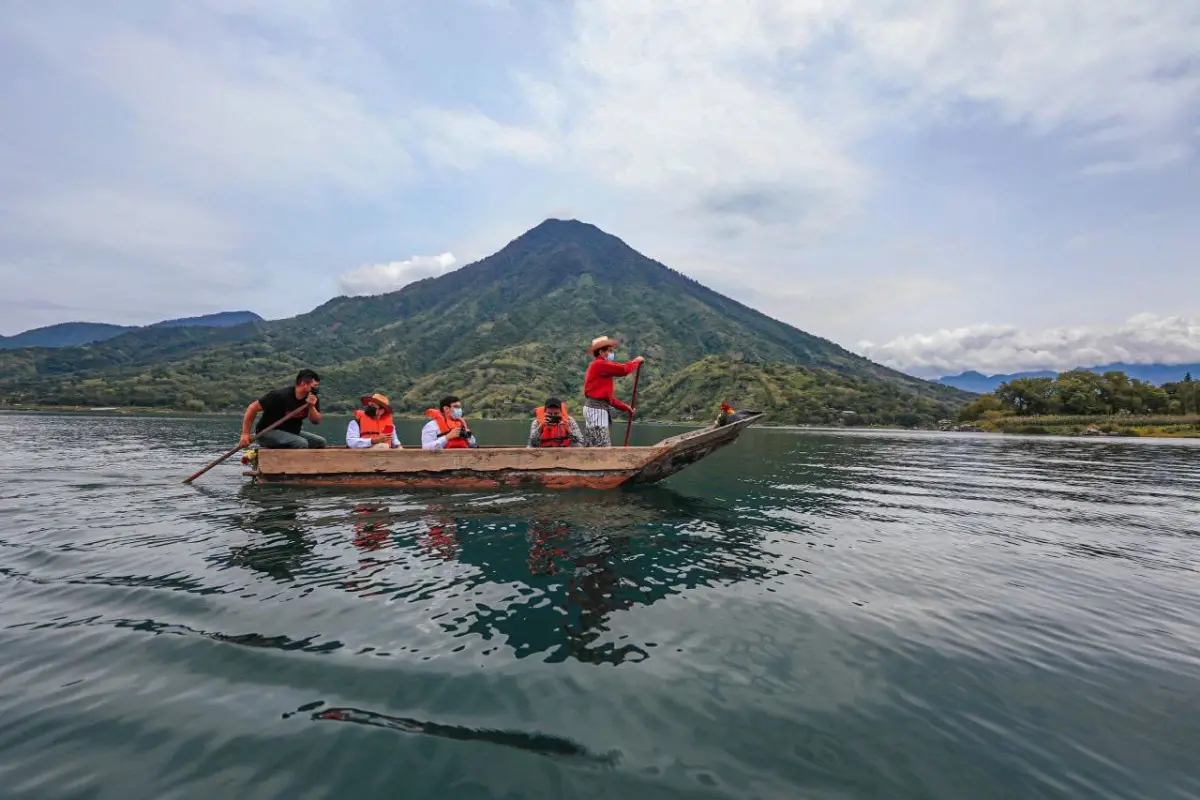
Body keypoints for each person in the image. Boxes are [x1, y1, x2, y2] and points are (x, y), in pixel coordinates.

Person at [581, 336, 644, 447]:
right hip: (597, 409)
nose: (612, 353)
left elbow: (609, 398)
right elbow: (624, 370)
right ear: (601, 352)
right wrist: (637, 361)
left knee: (594, 444)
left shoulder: (599, 367)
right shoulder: (599, 364)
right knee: (601, 446)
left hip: (595, 408)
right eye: (609, 351)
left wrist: (626, 408)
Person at [239, 369, 325, 449]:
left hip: (291, 433)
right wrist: (245, 434)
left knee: (320, 442)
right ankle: (291, 464)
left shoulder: (312, 398)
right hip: (267, 432)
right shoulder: (279, 396)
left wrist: (311, 406)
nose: (316, 388)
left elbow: (316, 421)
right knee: (301, 443)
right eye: (314, 385)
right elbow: (252, 408)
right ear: (304, 384)